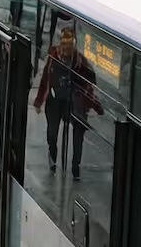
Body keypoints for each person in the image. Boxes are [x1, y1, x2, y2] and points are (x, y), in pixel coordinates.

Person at [32, 26, 103, 181]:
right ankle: (53, 156)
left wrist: (95, 105)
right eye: (63, 45)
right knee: (52, 133)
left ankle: (75, 167)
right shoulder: (53, 57)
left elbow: (89, 86)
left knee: (79, 129)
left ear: (73, 46)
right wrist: (38, 102)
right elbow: (45, 79)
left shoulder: (80, 62)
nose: (65, 49)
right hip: (54, 101)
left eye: (69, 46)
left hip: (72, 102)